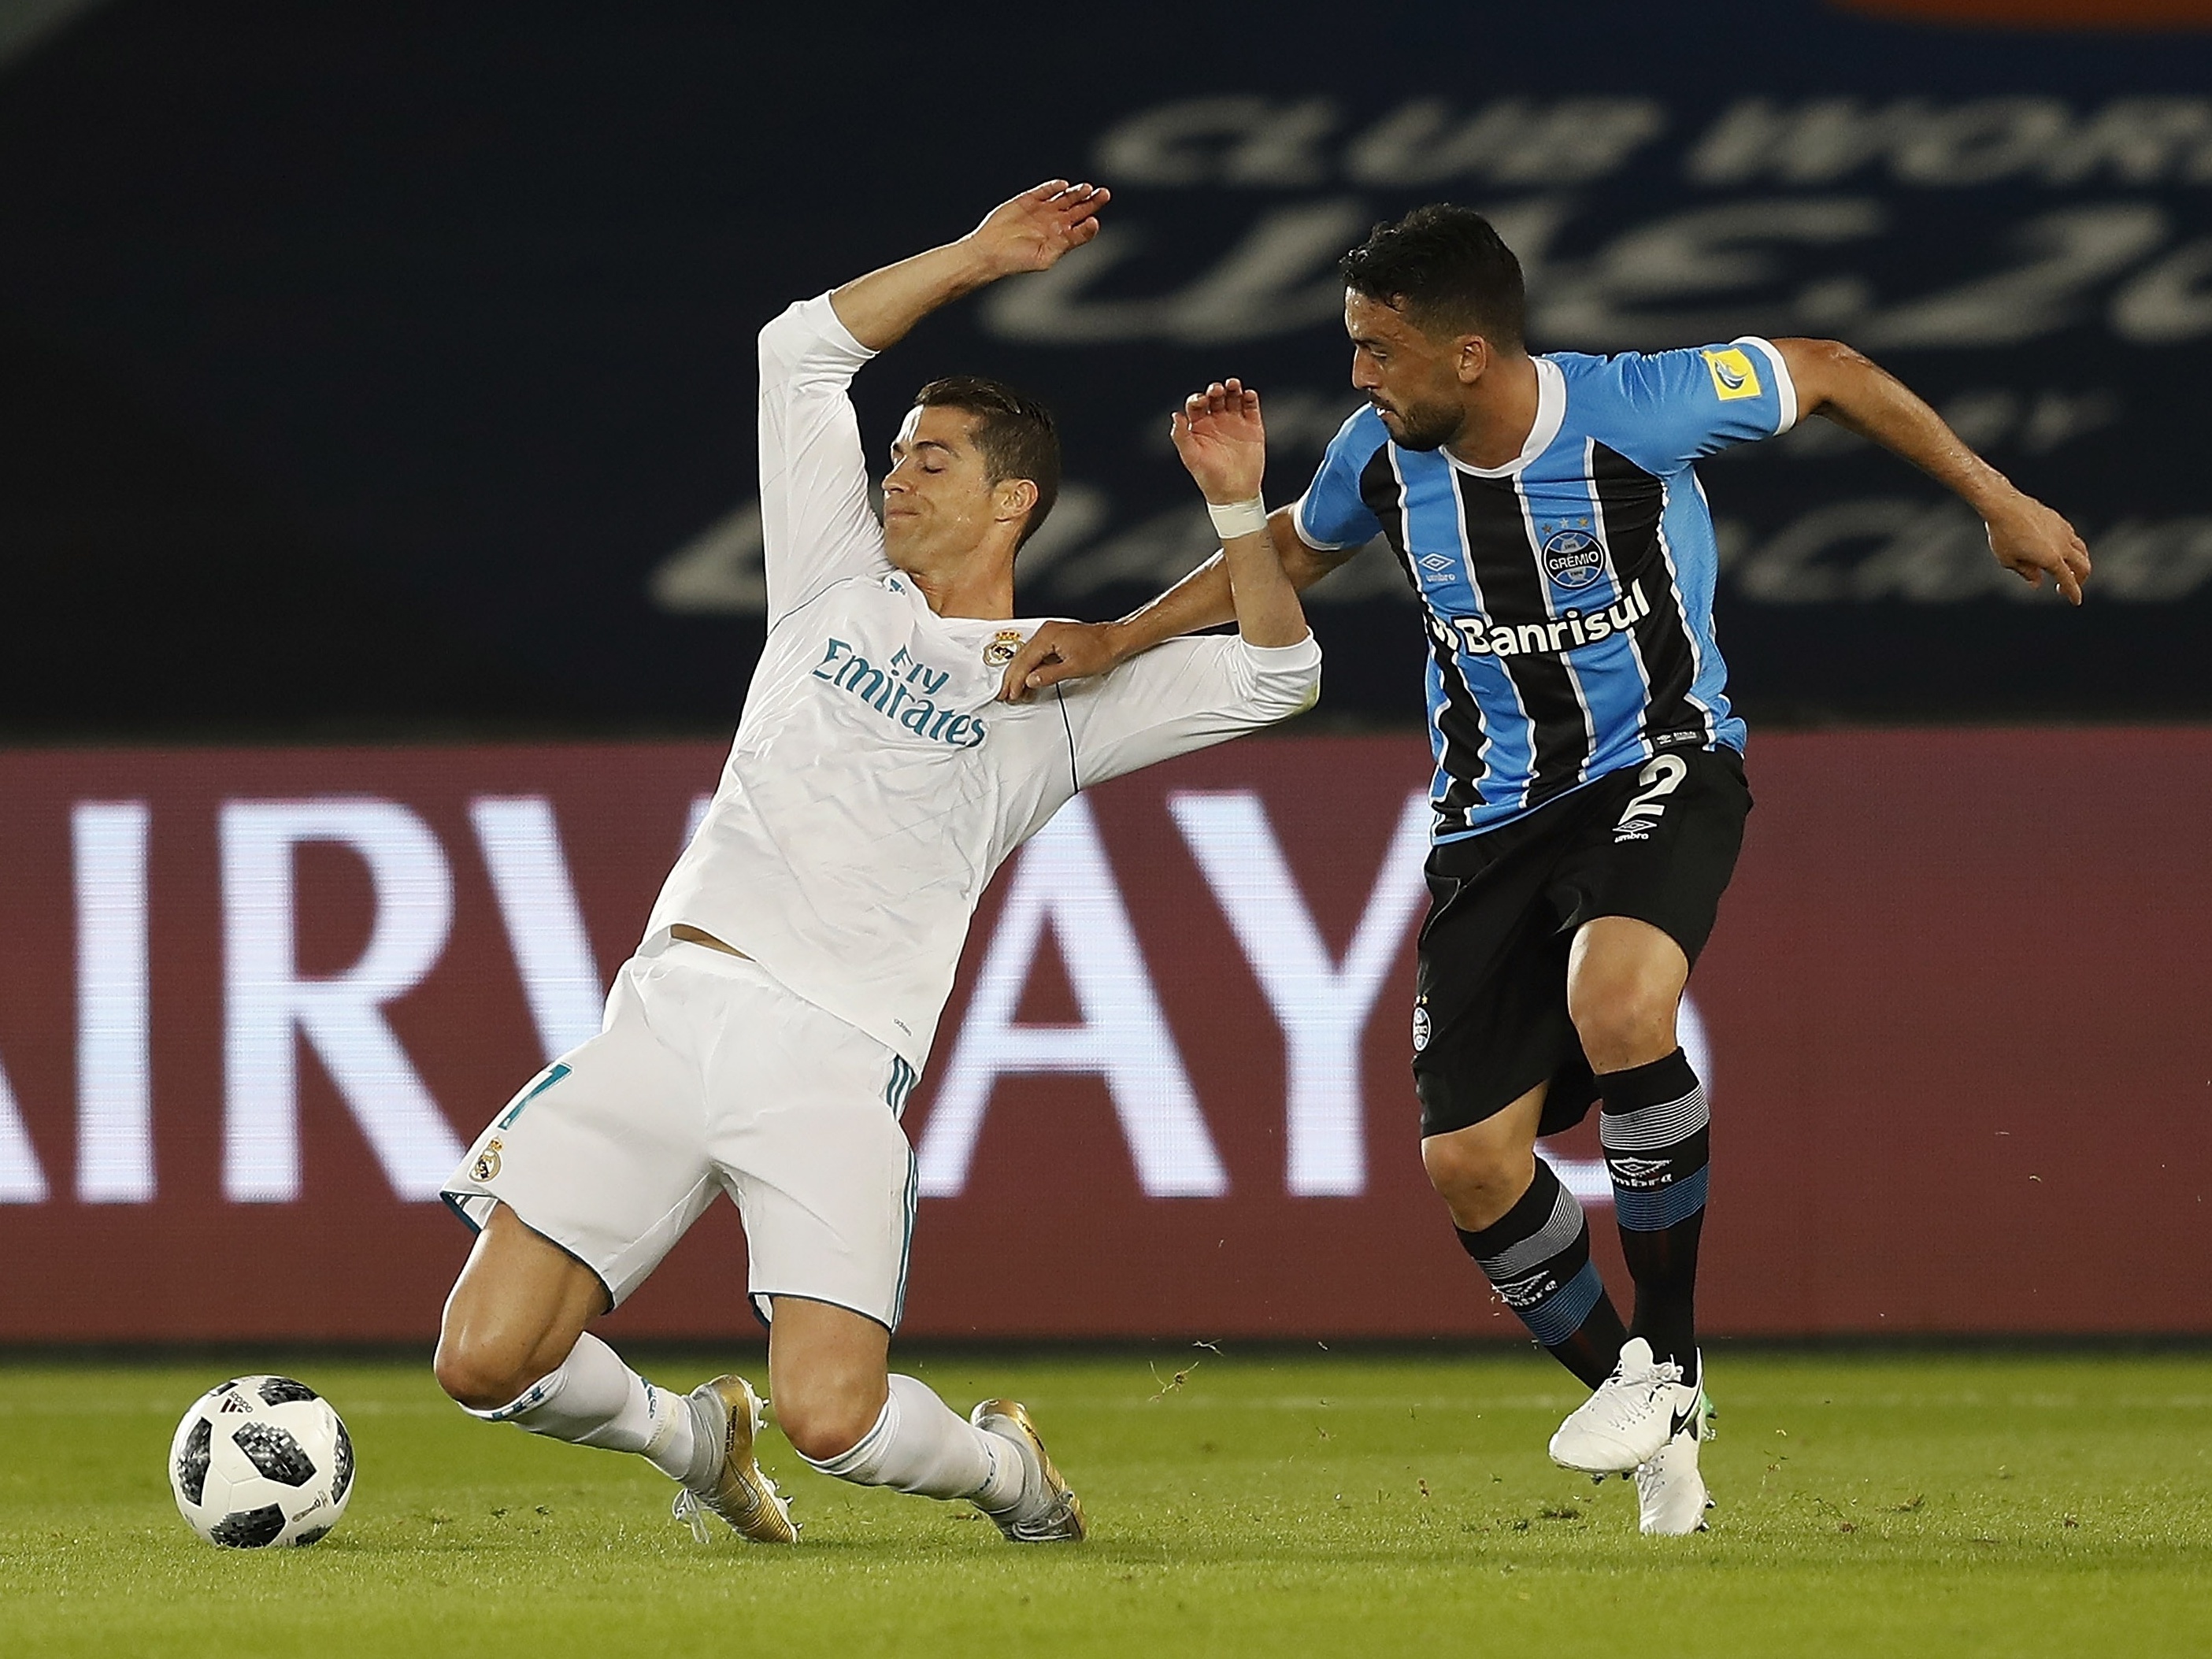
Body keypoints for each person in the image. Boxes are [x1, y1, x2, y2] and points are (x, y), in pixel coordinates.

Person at [997, 203, 2090, 1536]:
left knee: (1621, 1000)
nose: (1357, 377)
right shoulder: (1380, 458)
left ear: (1466, 354)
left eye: (1376, 351)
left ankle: (1672, 1363)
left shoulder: (1637, 408)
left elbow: (1828, 368)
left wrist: (1999, 498)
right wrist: (1118, 634)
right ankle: (1644, 1404)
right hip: (1485, 822)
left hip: (1660, 762)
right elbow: (1291, 549)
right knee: (1468, 1163)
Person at [431, 181, 1321, 1546]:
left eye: (933, 458)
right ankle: (691, 1437)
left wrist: (1237, 505)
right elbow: (799, 348)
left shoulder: (1062, 689)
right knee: (484, 1363)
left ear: (1013, 497)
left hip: (832, 1056)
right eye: (896, 452)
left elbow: (1277, 676)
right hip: (670, 1010)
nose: (894, 472)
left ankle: (1011, 1474)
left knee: (835, 1423)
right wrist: (974, 258)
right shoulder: (832, 584)